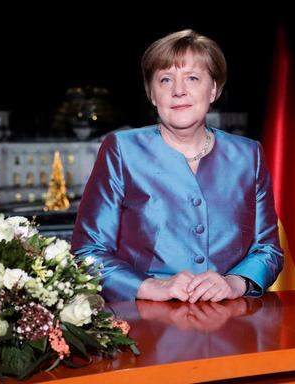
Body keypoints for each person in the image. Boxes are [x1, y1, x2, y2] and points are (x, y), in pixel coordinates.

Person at [71, 29, 283, 303]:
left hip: (230, 325)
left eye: (193, 78)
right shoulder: (122, 150)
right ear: (152, 94)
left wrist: (235, 282)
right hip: (145, 326)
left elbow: (268, 250)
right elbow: (88, 252)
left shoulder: (248, 154)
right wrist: (149, 287)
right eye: (165, 80)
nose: (178, 91)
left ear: (214, 90)